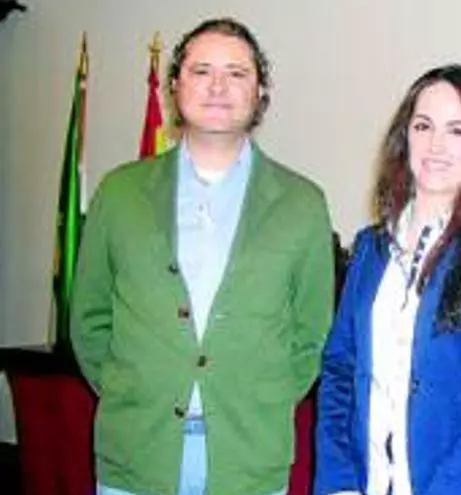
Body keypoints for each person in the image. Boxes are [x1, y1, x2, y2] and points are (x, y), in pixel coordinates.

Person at [70, 17, 334, 495]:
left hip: (249, 458)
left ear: (260, 92)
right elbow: (89, 320)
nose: (218, 86)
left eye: (237, 73)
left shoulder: (302, 204)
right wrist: (131, 387)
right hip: (136, 454)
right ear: (175, 86)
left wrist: (262, 399)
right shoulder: (119, 194)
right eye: (201, 71)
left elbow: (311, 335)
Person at [314, 63, 461, 495]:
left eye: (457, 130)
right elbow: (340, 370)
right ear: (405, 138)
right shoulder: (370, 250)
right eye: (423, 126)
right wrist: (339, 481)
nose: (436, 145)